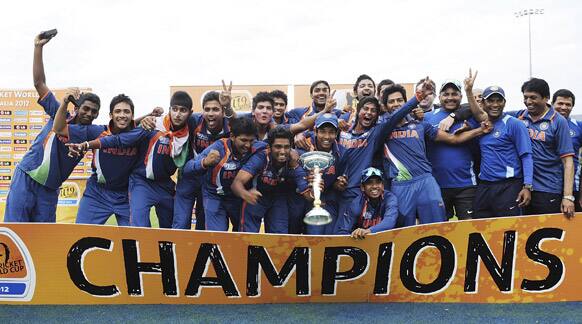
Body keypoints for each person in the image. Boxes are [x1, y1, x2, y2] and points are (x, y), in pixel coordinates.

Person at [4, 32, 101, 223]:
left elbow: (119, 129)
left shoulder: (93, 132)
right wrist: (38, 47)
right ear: (76, 106)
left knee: (43, 239)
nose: (89, 114)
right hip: (26, 177)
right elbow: (39, 83)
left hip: (49, 190)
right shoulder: (60, 113)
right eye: (86, 109)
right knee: (15, 232)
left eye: (94, 112)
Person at [68, 91, 194, 228]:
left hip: (127, 194)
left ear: (132, 116)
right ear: (111, 115)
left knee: (145, 236)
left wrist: (148, 116)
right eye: (118, 111)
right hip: (99, 193)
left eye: (126, 112)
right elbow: (115, 140)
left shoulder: (146, 130)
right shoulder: (99, 131)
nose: (122, 115)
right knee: (81, 232)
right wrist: (85, 144)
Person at [382, 84, 492, 226]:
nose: (396, 104)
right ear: (385, 107)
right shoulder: (382, 128)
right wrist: (418, 96)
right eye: (391, 101)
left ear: (405, 102)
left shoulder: (420, 124)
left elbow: (453, 138)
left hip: (426, 180)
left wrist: (479, 131)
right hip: (401, 183)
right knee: (403, 229)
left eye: (399, 100)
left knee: (436, 227)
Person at [335, 77, 435, 233]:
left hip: (365, 194)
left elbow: (396, 116)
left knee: (375, 234)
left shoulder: (376, 133)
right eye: (365, 109)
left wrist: (418, 97)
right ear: (358, 111)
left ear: (377, 116)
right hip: (341, 193)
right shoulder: (342, 131)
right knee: (339, 234)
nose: (369, 113)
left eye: (373, 111)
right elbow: (321, 136)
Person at [463, 70, 534, 218]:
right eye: (490, 100)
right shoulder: (482, 124)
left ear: (504, 102)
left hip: (508, 185)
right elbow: (474, 112)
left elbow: (526, 156)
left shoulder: (514, 124)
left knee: (508, 230)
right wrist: (468, 91)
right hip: (484, 185)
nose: (495, 104)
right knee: (481, 228)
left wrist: (527, 186)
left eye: (499, 100)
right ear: (483, 103)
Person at [500, 78, 574, 217]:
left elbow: (568, 161)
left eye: (533, 98)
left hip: (548, 189)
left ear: (546, 98)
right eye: (526, 97)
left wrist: (568, 196)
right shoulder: (519, 116)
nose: (528, 102)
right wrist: (454, 115)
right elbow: (490, 113)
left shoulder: (558, 121)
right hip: (521, 187)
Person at [184, 117, 266, 231]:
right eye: (243, 140)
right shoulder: (219, 148)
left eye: (251, 140)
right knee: (217, 237)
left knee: (242, 237)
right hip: (214, 196)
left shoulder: (258, 148)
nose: (247, 145)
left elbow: (275, 145)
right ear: (232, 136)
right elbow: (187, 168)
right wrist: (205, 162)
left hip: (239, 198)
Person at [173, 85, 235, 230]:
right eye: (207, 109)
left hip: (210, 181)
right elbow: (173, 119)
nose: (211, 113)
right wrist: (147, 118)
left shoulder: (230, 126)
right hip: (189, 176)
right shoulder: (195, 121)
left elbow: (242, 124)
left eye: (215, 109)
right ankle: (181, 251)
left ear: (223, 111)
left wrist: (229, 108)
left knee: (203, 225)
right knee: (180, 224)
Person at [424, 79, 479, 220]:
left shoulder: (471, 116)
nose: (450, 98)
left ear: (461, 96)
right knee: (440, 230)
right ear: (439, 97)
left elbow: (481, 110)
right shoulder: (428, 117)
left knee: (468, 230)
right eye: (446, 94)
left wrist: (454, 117)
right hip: (437, 185)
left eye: (454, 94)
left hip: (466, 185)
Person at [232, 127, 302, 233]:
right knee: (248, 238)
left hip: (278, 197)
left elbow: (305, 186)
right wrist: (246, 194)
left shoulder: (295, 159)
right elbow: (236, 183)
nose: (282, 151)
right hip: (256, 196)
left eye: (286, 147)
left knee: (279, 238)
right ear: (269, 147)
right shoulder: (260, 158)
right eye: (278, 147)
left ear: (291, 148)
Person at [295, 113, 345, 235]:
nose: (327, 137)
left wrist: (340, 182)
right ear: (315, 131)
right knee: (310, 236)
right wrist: (305, 181)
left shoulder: (342, 152)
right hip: (301, 198)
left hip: (328, 198)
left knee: (329, 237)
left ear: (337, 133)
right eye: (322, 131)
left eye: (331, 132)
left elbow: (342, 177)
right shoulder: (303, 147)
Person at [336, 167, 399, 238]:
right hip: (363, 241)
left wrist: (368, 231)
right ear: (362, 187)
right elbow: (343, 231)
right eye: (369, 183)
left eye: (378, 182)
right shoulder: (356, 204)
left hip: (385, 239)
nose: (374, 186)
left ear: (383, 186)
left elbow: (390, 222)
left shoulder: (390, 199)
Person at [551, 89, 582, 211]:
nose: (564, 107)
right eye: (560, 103)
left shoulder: (578, 126)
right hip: (547, 187)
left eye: (568, 104)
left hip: (574, 187)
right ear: (552, 104)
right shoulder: (542, 125)